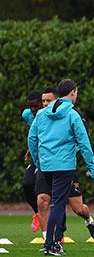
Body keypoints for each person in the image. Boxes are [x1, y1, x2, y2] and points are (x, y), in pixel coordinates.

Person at [28, 79, 94, 256]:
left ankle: (50, 241)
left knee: (49, 203)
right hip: (64, 166)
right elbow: (83, 141)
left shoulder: (42, 114)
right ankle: (53, 244)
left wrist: (38, 161)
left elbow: (32, 139)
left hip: (45, 165)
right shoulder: (72, 114)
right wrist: (91, 164)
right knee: (58, 205)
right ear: (73, 92)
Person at [22, 90, 42, 232]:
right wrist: (30, 148)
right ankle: (37, 213)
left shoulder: (48, 115)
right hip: (37, 156)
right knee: (27, 183)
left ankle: (59, 232)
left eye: (35, 106)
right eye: (30, 107)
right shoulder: (27, 115)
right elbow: (33, 133)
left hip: (50, 156)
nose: (32, 110)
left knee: (51, 194)